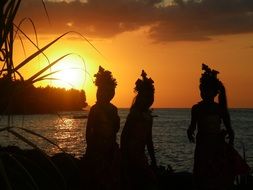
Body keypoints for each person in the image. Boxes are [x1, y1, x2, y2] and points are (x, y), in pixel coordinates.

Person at [187, 64, 249, 190]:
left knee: (216, 177)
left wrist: (229, 147)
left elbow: (230, 131)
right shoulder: (196, 108)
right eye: (202, 90)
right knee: (202, 176)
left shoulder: (219, 109)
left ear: (215, 92)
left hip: (217, 148)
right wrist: (190, 132)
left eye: (207, 90)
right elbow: (192, 126)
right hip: (202, 147)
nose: (204, 93)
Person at [84, 66, 120, 190]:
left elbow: (115, 129)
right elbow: (88, 132)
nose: (99, 93)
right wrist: (91, 149)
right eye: (99, 91)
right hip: (96, 149)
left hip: (110, 148)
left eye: (103, 91)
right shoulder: (95, 109)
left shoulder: (113, 109)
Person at [121, 70, 157, 190]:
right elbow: (124, 135)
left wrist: (153, 159)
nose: (148, 99)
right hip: (130, 155)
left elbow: (149, 140)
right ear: (140, 97)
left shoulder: (148, 117)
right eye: (146, 97)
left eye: (150, 97)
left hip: (140, 156)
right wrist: (123, 157)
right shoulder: (134, 115)